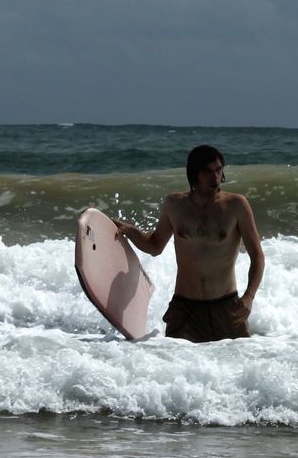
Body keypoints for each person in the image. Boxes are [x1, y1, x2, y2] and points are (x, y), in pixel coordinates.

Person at [114, 144, 265, 342]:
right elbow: (155, 246)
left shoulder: (236, 206)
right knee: (174, 367)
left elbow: (257, 256)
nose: (215, 177)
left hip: (226, 307)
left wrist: (248, 297)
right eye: (207, 171)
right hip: (185, 309)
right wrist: (129, 231)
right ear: (194, 173)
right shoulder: (175, 205)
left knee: (235, 368)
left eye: (218, 170)